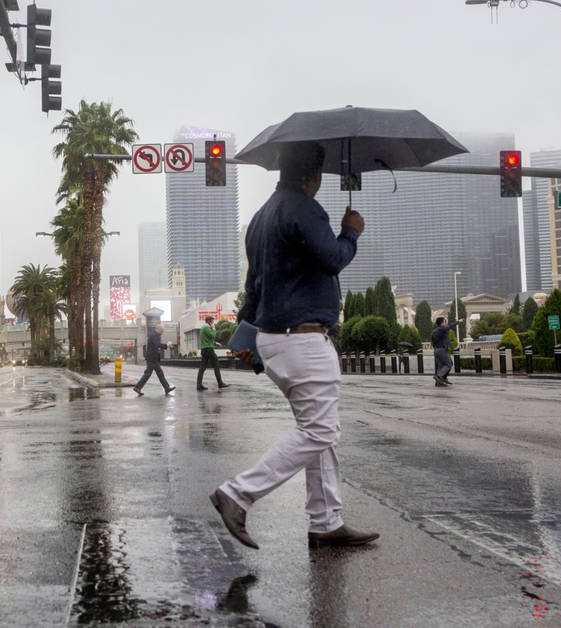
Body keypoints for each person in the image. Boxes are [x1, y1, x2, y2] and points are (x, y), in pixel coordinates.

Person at [210, 147, 379, 550]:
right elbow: (334, 258)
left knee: (322, 430)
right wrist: (351, 231)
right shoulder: (304, 209)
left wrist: (245, 337)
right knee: (320, 430)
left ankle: (326, 521)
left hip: (275, 338)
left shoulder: (259, 219)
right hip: (302, 338)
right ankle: (238, 494)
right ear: (314, 174)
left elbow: (253, 286)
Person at [133, 324, 176, 397]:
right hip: (152, 358)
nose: (162, 332)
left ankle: (167, 388)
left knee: (160, 374)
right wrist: (166, 345)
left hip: (154, 358)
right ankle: (137, 387)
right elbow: (157, 344)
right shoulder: (154, 335)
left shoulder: (155, 335)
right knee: (148, 374)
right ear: (158, 329)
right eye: (162, 331)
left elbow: (156, 345)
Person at [197, 316, 229, 391]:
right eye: (212, 321)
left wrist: (215, 343)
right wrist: (214, 328)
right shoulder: (207, 328)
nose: (213, 323)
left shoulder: (203, 328)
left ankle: (199, 385)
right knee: (216, 365)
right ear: (209, 321)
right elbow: (212, 336)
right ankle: (220, 383)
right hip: (209, 350)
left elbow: (208, 339)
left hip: (204, 349)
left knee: (202, 368)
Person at [430, 316, 461, 386]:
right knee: (448, 364)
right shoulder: (441, 329)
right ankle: (438, 377)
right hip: (442, 349)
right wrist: (458, 321)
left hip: (436, 350)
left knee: (441, 366)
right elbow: (450, 326)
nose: (446, 323)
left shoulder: (434, 331)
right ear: (442, 323)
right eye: (445, 322)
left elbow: (433, 342)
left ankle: (440, 381)